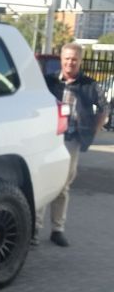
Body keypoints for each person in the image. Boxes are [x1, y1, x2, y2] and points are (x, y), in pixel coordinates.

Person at [34, 42, 109, 247]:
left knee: (62, 186)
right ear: (61, 59)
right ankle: (34, 229)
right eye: (67, 58)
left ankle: (57, 230)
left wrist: (91, 132)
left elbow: (103, 108)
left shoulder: (89, 84)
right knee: (42, 184)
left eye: (74, 59)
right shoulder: (48, 82)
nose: (70, 62)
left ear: (80, 61)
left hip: (71, 142)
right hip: (48, 139)